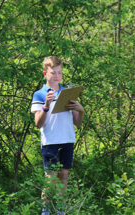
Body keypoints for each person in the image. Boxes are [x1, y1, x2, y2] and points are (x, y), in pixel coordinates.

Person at [31, 56, 84, 214]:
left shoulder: (67, 93)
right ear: (45, 73)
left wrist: (81, 110)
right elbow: (38, 123)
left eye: (59, 73)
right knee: (51, 178)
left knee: (64, 177)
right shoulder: (40, 94)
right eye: (53, 72)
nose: (57, 76)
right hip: (50, 141)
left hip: (67, 139)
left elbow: (78, 122)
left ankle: (61, 210)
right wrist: (46, 106)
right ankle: (45, 210)